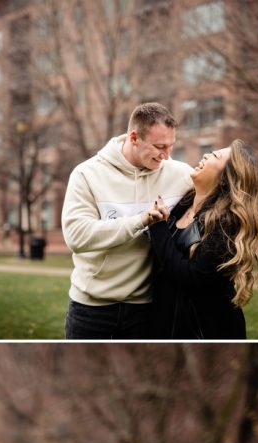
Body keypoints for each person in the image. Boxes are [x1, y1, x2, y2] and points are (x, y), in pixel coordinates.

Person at [62, 102, 193, 339]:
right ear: (134, 137)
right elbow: (76, 236)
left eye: (171, 146)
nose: (166, 155)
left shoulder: (181, 174)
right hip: (90, 308)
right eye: (159, 146)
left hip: (147, 308)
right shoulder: (87, 174)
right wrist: (140, 221)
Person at [146, 139, 258, 339]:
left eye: (214, 156)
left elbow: (191, 277)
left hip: (204, 331)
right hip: (165, 323)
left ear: (224, 179)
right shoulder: (184, 203)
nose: (205, 155)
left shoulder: (226, 224)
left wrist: (158, 227)